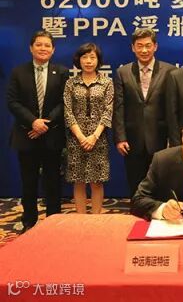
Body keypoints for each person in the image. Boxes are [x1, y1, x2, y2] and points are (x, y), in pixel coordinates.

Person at [7, 30, 69, 233]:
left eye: (47, 45)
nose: (43, 48)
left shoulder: (61, 72)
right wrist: (33, 122)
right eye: (39, 44)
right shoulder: (18, 72)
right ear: (31, 48)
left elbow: (65, 102)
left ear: (53, 50)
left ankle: (53, 221)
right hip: (26, 135)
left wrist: (45, 124)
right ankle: (29, 221)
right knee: (29, 181)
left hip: (52, 136)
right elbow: (13, 102)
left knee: (53, 182)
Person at [113, 28, 175, 198]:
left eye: (148, 45)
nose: (144, 50)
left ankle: (159, 213)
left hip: (160, 137)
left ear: (155, 46)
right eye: (139, 46)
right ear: (133, 48)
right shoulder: (123, 72)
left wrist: (173, 139)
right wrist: (120, 137)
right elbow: (119, 107)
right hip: (133, 139)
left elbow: (172, 108)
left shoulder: (169, 71)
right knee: (135, 184)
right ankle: (137, 212)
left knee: (161, 184)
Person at [64, 43, 114, 214]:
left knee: (97, 181)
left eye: (92, 57)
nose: (88, 61)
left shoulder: (107, 82)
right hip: (75, 139)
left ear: (98, 60)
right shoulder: (71, 83)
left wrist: (94, 136)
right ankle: (81, 219)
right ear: (79, 60)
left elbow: (108, 111)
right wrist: (80, 137)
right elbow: (68, 112)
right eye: (84, 57)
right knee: (78, 181)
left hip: (98, 139)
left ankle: (95, 220)